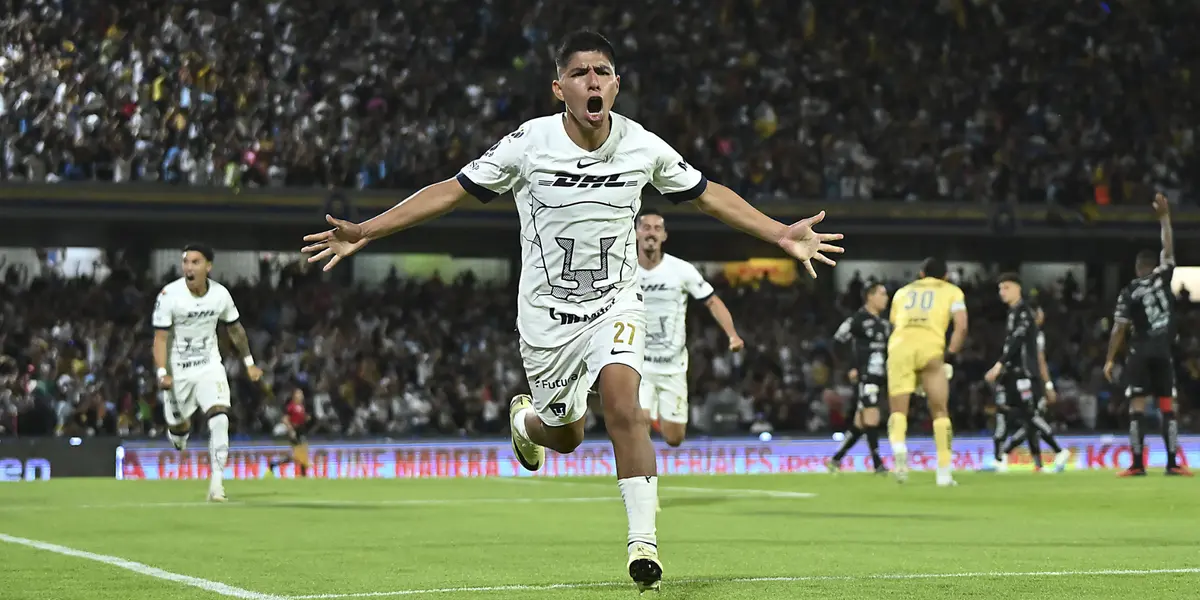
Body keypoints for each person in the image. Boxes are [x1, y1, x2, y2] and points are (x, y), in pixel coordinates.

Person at [299, 30, 844, 592]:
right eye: (581, 73)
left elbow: (708, 193)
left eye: (603, 72)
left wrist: (781, 233)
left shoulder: (641, 145)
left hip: (615, 304)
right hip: (547, 320)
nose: (593, 81)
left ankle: (643, 545)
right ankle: (527, 421)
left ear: (616, 85)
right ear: (559, 88)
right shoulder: (527, 144)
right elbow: (450, 191)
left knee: (624, 407)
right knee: (566, 436)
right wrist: (366, 229)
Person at [152, 244, 263, 502]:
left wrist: (249, 362)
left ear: (208, 267)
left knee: (220, 419)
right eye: (186, 262)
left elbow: (235, 329)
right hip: (178, 372)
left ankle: (216, 486)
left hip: (209, 367)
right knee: (179, 434)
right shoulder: (170, 295)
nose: (189, 268)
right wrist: (161, 372)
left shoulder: (221, 295)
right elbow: (159, 338)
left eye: (195, 262)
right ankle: (177, 432)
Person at [635, 208, 743, 447]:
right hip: (638, 363)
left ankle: (654, 415)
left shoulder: (681, 270)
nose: (651, 233)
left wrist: (732, 335)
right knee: (639, 422)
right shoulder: (625, 270)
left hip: (673, 365)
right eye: (646, 228)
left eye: (657, 229)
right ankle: (641, 473)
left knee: (674, 438)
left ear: (664, 236)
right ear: (636, 233)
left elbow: (712, 301)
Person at [1104, 194, 1191, 477]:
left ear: (1136, 268)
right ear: (1153, 265)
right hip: (1163, 351)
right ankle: (1172, 464)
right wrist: (1165, 218)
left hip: (1139, 353)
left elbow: (1119, 327)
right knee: (1168, 406)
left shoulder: (1129, 291)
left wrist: (1109, 360)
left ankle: (1138, 464)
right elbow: (1168, 247)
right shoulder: (1163, 275)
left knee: (1137, 408)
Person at [886, 257, 967, 486]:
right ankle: (943, 473)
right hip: (931, 348)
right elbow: (961, 326)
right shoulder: (952, 291)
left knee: (898, 411)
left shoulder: (902, 292)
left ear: (921, 274)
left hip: (900, 347)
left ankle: (900, 452)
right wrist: (949, 355)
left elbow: (895, 322)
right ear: (946, 276)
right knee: (940, 411)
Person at [987, 305, 1070, 472]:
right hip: (1014, 378)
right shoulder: (1022, 333)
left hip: (1028, 380)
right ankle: (1035, 463)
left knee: (1030, 417)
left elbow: (1040, 361)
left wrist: (1047, 385)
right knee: (1024, 418)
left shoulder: (1034, 336)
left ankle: (1056, 452)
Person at [827, 282, 890, 474]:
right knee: (872, 415)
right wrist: (849, 367)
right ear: (870, 297)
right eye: (882, 293)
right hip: (865, 375)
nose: (886, 298)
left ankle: (836, 459)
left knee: (860, 423)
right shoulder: (856, 320)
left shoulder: (885, 324)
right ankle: (878, 463)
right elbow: (837, 342)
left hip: (881, 377)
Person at [269, 388, 313, 477]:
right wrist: (291, 430)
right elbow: (285, 419)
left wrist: (306, 418)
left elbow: (300, 418)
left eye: (301, 394)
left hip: (301, 431)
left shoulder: (301, 406)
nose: (301, 396)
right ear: (294, 396)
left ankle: (275, 464)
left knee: (300, 454)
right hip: (295, 432)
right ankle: (303, 473)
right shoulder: (291, 406)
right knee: (301, 453)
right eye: (299, 394)